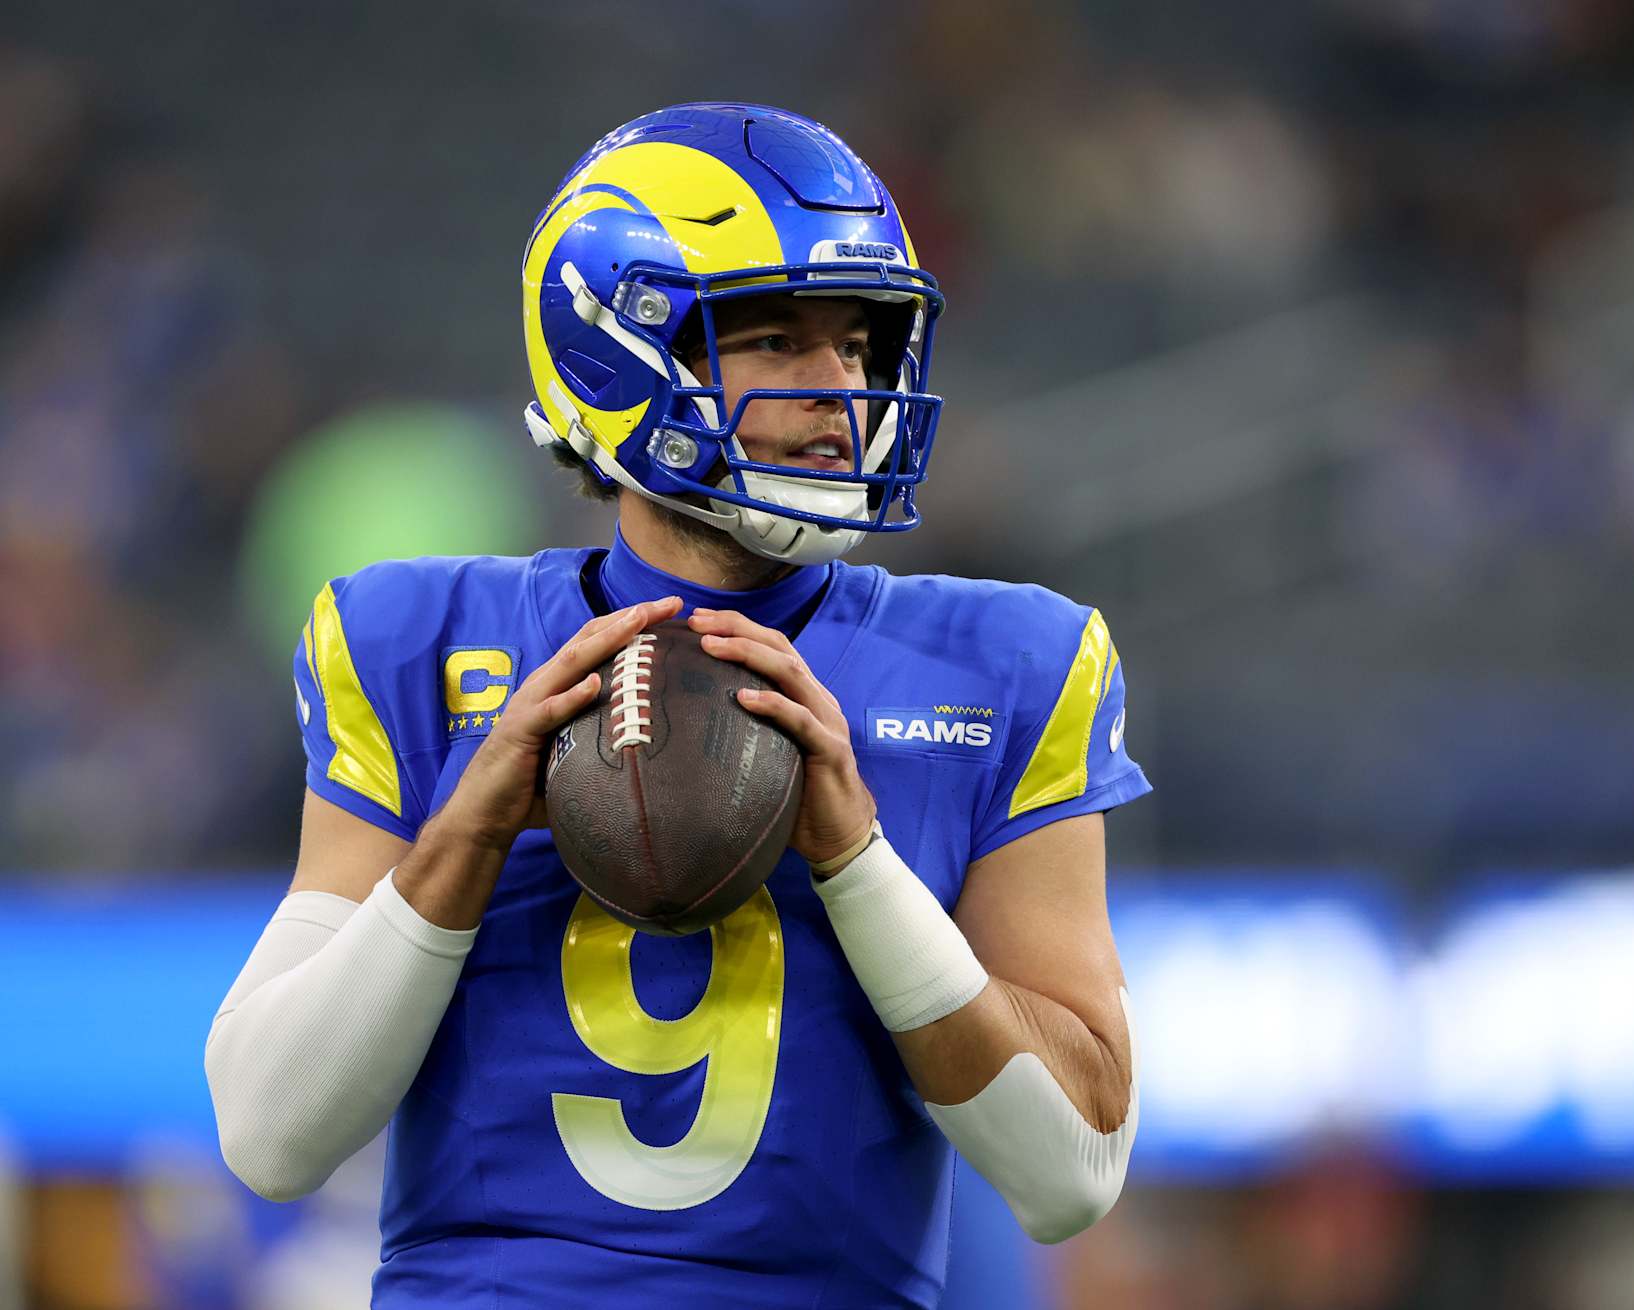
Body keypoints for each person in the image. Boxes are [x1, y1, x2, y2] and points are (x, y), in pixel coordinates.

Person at [206, 102, 1150, 1308]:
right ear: (614, 351)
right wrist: (465, 838)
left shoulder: (1009, 660)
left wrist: (856, 861)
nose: (841, 389)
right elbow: (268, 1133)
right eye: (777, 339)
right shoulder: (415, 641)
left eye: (859, 343)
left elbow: (1072, 1172)